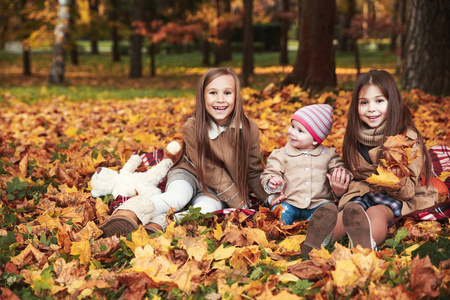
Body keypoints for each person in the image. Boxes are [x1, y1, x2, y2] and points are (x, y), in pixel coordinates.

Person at [99, 67, 269, 236]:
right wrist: (239, 203)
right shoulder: (193, 127)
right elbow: (210, 170)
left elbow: (253, 169)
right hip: (190, 174)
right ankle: (128, 213)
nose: (220, 100)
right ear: (202, 97)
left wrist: (270, 198)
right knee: (178, 197)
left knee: (206, 209)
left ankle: (159, 225)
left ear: (237, 96)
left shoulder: (248, 128)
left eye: (227, 93)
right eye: (212, 93)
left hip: (217, 190)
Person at [322, 69, 438, 252]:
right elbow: (356, 176)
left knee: (375, 212)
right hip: (366, 191)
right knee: (350, 210)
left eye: (379, 101)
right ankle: (322, 239)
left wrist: (396, 181)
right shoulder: (354, 137)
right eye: (364, 103)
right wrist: (339, 190)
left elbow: (410, 188)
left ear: (392, 102)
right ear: (356, 106)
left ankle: (366, 244)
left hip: (398, 195)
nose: (371, 109)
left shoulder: (407, 137)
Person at [260, 104, 351, 256]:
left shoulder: (328, 155)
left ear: (315, 140)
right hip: (290, 201)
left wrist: (340, 176)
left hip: (319, 203)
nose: (292, 132)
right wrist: (272, 181)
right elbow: (270, 172)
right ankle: (277, 238)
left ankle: (318, 238)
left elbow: (340, 169)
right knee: (280, 215)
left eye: (300, 130)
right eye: (292, 126)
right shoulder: (282, 154)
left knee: (327, 214)